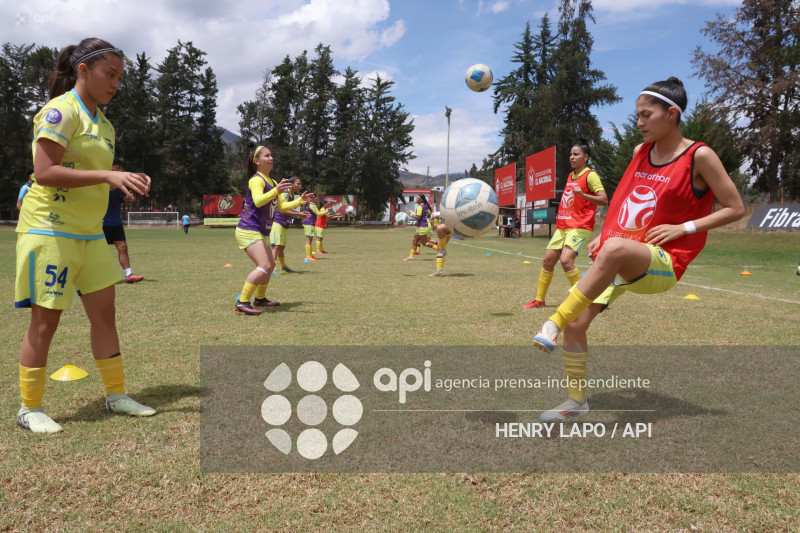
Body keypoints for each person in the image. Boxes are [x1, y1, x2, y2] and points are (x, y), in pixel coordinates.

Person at [531, 77, 745, 420]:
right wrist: (606, 234)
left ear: (671, 113)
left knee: (569, 315)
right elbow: (625, 196)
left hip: (665, 261)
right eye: (637, 115)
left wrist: (682, 228)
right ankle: (576, 402)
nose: (639, 122)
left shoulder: (699, 155)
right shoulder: (640, 153)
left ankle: (552, 322)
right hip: (625, 252)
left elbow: (735, 207)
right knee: (578, 325)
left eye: (647, 115)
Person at [14, 38, 156, 433]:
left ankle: (116, 395)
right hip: (49, 230)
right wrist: (109, 174)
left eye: (119, 78)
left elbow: (87, 177)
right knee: (46, 322)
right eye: (109, 74)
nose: (115, 84)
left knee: (104, 314)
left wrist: (121, 181)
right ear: (83, 70)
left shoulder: (105, 126)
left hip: (90, 235)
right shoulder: (61, 111)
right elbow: (44, 172)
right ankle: (29, 409)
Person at [523, 140, 608, 309]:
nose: (572, 157)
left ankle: (585, 299)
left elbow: (604, 200)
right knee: (548, 261)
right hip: (563, 226)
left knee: (566, 260)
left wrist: (583, 194)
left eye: (576, 154)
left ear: (586, 157)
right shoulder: (571, 175)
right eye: (571, 154)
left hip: (579, 226)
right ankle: (539, 299)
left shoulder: (590, 175)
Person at [234, 145, 312, 315]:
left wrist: (300, 201)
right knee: (264, 265)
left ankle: (260, 299)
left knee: (270, 266)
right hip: (248, 229)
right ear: (256, 161)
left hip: (259, 231)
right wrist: (276, 191)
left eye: (272, 155)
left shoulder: (274, 182)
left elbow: (281, 206)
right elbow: (257, 201)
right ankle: (242, 301)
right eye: (266, 156)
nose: (271, 158)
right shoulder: (256, 180)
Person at [103, 160, 143, 283]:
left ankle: (129, 274)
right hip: (100, 222)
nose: (119, 169)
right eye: (116, 166)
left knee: (123, 246)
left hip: (115, 221)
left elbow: (118, 200)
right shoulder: (101, 179)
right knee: (100, 251)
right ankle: (99, 276)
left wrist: (126, 198)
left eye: (120, 167)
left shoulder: (120, 184)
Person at [270, 176, 306, 274]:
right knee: (276, 246)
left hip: (283, 222)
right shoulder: (285, 192)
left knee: (281, 246)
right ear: (291, 184)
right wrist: (299, 214)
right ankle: (273, 268)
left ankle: (284, 267)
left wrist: (299, 213)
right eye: (298, 184)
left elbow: (288, 209)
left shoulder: (291, 194)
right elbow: (283, 209)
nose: (300, 186)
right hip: (277, 221)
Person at [403, 194, 432, 261]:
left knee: (425, 243)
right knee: (415, 241)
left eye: (417, 198)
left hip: (422, 227)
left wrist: (410, 214)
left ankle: (439, 249)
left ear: (420, 199)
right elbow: (428, 215)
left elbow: (418, 217)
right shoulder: (426, 206)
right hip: (421, 227)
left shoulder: (420, 207)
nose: (416, 199)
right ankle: (411, 257)